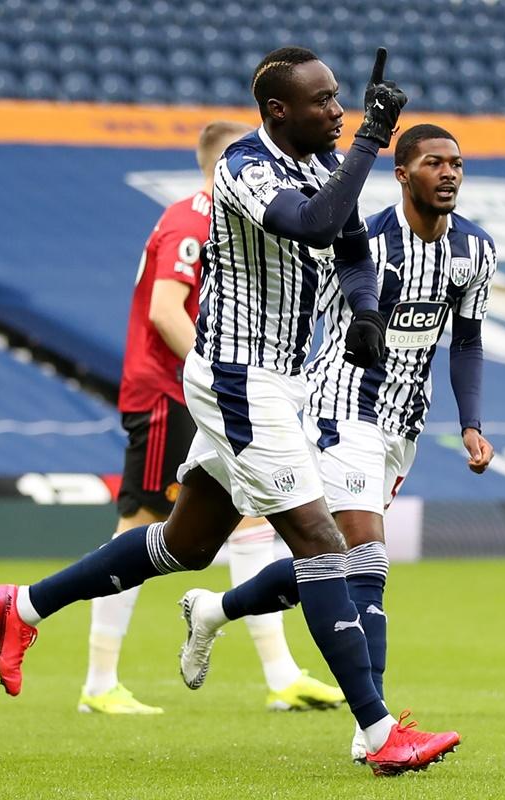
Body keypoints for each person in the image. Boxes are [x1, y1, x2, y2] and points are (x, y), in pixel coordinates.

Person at [0, 47, 461, 776]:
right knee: (320, 542)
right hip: (242, 380)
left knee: (186, 545)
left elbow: (353, 245)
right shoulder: (245, 168)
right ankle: (378, 731)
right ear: (278, 111)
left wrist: (364, 313)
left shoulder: (320, 164)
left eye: (339, 99)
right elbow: (309, 224)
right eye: (324, 101)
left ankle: (23, 606)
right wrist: (367, 142)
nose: (337, 110)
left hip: (278, 380)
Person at [177, 124, 496, 763]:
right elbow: (317, 302)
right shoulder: (368, 239)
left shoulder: (476, 251)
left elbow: (466, 341)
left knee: (327, 565)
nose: (450, 173)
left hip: (402, 422)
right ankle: (373, 731)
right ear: (403, 173)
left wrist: (471, 422)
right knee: (368, 569)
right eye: (436, 162)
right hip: (340, 407)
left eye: (457, 164)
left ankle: (215, 608)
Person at [80, 121, 343, 715]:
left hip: (215, 391)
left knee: (251, 522)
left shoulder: (220, 215)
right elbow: (165, 309)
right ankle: (98, 682)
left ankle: (281, 674)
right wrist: (221, 374)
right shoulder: (193, 216)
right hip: (171, 391)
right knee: (142, 521)